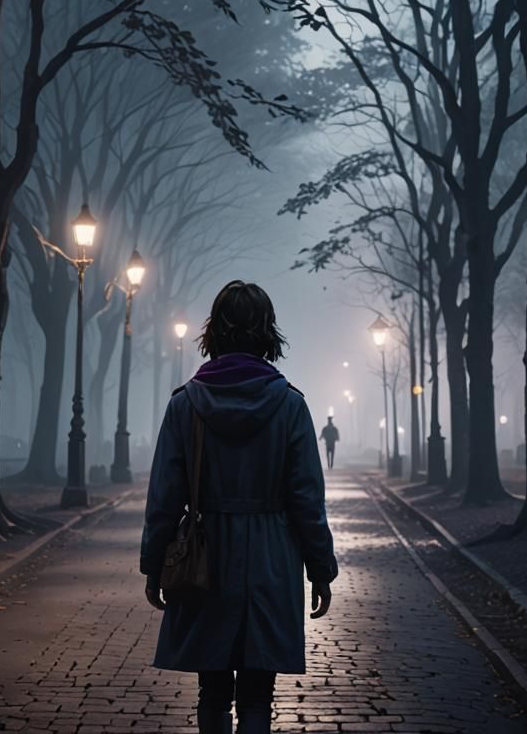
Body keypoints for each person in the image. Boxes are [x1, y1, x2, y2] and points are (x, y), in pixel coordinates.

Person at [140, 280, 339, 734]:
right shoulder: (290, 406)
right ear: (268, 333)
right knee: (257, 694)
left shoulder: (185, 405)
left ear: (214, 332)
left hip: (206, 554)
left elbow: (165, 497)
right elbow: (307, 498)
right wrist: (320, 569)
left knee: (212, 689)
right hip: (271, 556)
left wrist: (154, 564)